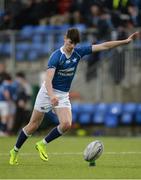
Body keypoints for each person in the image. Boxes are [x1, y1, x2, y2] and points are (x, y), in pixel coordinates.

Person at [9, 28, 138, 165]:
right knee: (33, 125)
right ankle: (14, 151)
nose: (72, 46)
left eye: (74, 44)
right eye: (70, 42)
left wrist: (125, 41)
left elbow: (104, 46)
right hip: (48, 92)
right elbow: (48, 80)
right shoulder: (56, 56)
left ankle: (42, 144)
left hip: (63, 95)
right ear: (65, 39)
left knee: (66, 124)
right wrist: (52, 96)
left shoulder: (78, 52)